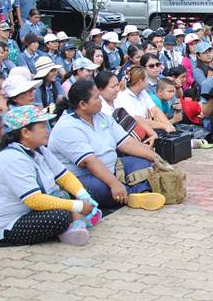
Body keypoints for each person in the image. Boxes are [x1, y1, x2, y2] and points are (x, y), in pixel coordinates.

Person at [0, 106, 99, 246]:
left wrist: (83, 196)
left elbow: (65, 177)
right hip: (11, 224)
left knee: (85, 190)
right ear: (25, 132)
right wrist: (77, 206)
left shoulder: (40, 150)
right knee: (60, 216)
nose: (47, 131)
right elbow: (34, 200)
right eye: (43, 127)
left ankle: (75, 222)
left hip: (34, 210)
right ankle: (73, 224)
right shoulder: (12, 158)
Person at [48, 80, 166, 210]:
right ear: (82, 104)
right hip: (84, 176)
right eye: (97, 98)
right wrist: (114, 183)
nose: (101, 100)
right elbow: (89, 161)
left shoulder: (101, 117)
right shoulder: (67, 127)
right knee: (102, 188)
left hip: (113, 166)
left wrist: (158, 159)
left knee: (143, 162)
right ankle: (136, 193)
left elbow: (127, 143)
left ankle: (139, 193)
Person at [116, 66, 175, 134]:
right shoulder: (123, 96)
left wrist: (168, 125)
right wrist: (164, 126)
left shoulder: (142, 92)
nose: (148, 81)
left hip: (144, 129)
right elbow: (139, 120)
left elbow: (155, 110)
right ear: (141, 81)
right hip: (130, 132)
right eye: (147, 78)